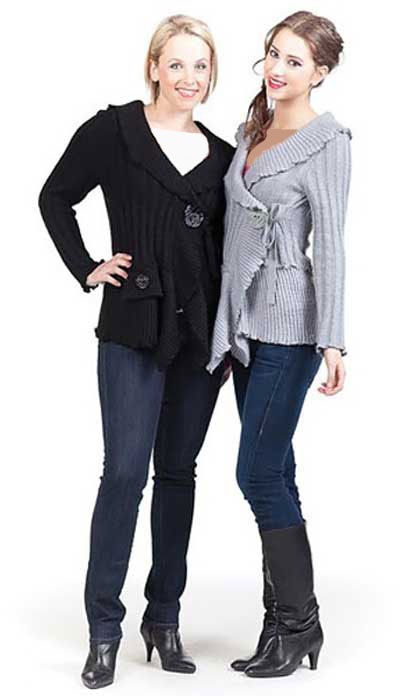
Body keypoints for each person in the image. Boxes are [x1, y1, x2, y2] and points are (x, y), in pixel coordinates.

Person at [38, 14, 234, 688]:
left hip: (200, 339)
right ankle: (103, 630)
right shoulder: (115, 131)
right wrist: (88, 266)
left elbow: (228, 252)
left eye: (200, 66)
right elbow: (55, 197)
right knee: (124, 474)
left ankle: (164, 619)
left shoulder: (222, 157)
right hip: (131, 328)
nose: (188, 78)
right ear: (153, 67)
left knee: (178, 474)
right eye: (176, 64)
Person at [206, 10, 352, 678]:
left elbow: (333, 244)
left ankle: (299, 623)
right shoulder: (252, 131)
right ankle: (282, 627)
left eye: (295, 60)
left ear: (319, 72)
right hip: (244, 321)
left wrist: (334, 341)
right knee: (277, 470)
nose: (277, 68)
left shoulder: (327, 142)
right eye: (273, 54)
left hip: (291, 326)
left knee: (256, 473)